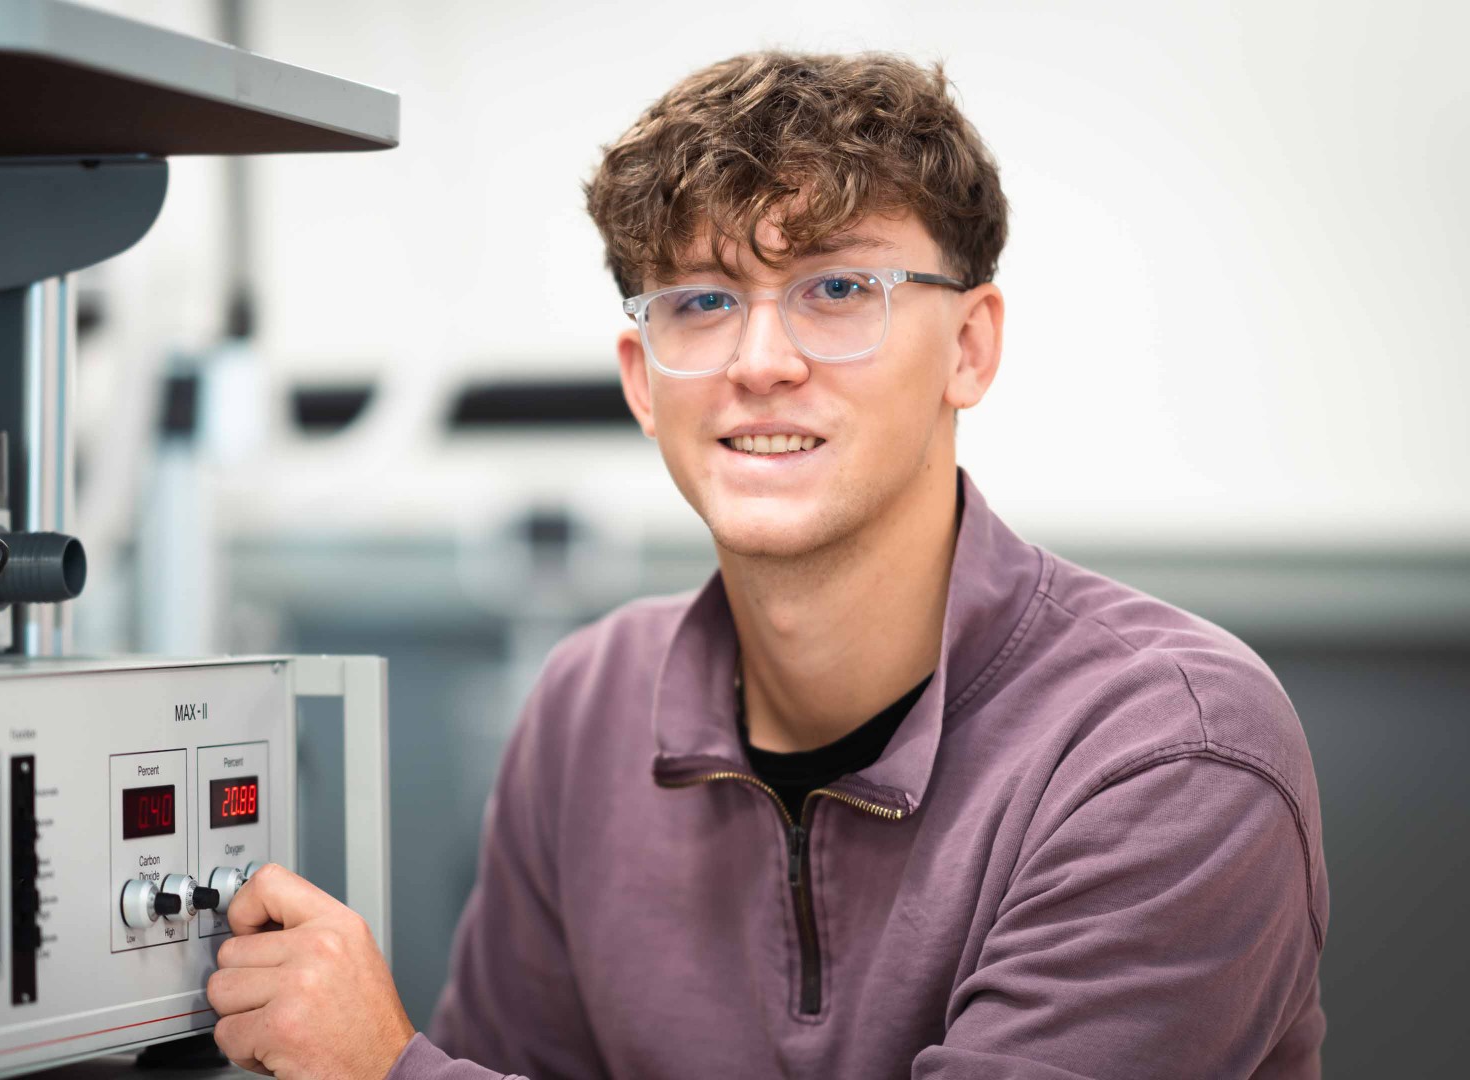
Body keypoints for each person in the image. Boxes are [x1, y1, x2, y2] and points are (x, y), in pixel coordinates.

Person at [205, 50, 1327, 1079]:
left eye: (838, 291)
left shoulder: (1169, 753)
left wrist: (391, 1074)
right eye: (702, 302)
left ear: (971, 347)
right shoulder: (588, 709)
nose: (760, 361)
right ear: (645, 380)